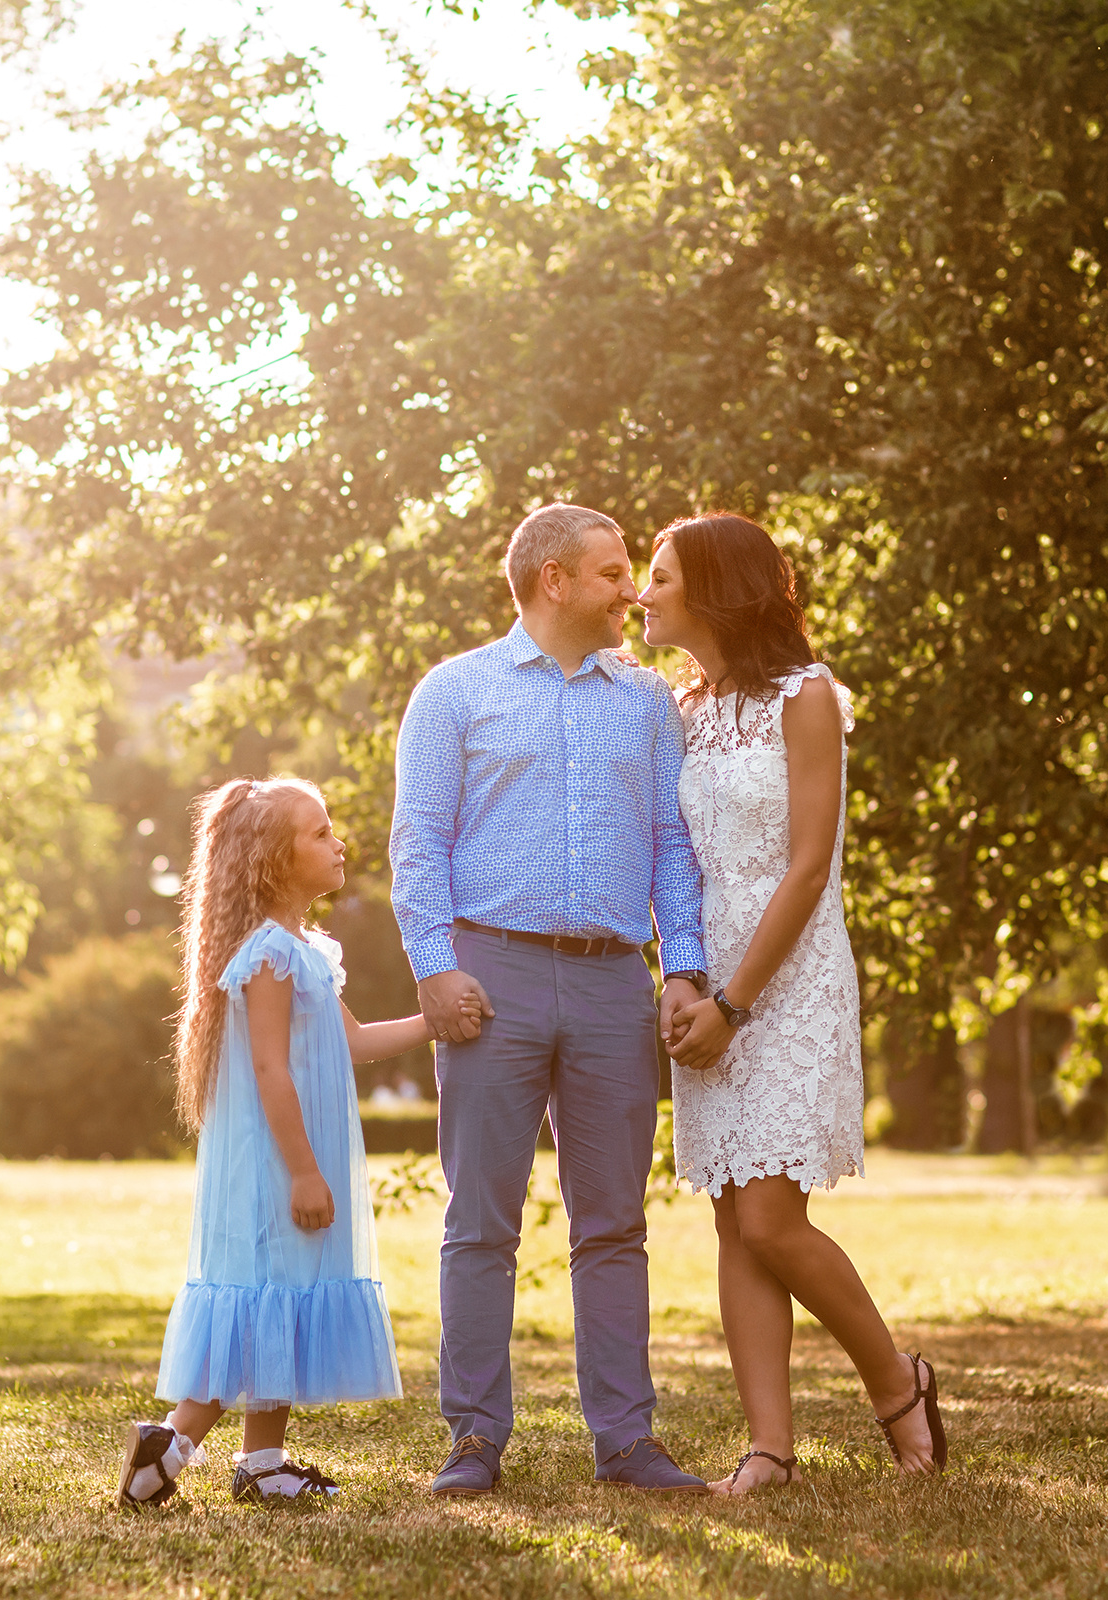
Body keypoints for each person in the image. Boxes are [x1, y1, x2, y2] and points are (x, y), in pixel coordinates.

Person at [389, 502, 713, 1496]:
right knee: (481, 1222)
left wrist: (685, 966)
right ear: (553, 580)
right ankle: (473, 1438)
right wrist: (434, 965)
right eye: (614, 573)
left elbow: (671, 844)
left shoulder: (647, 702)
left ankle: (626, 1440)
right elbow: (418, 840)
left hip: (617, 981)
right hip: (493, 976)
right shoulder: (455, 692)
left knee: (614, 1223)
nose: (632, 591)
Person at [641, 512, 947, 1490]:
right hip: (709, 981)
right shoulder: (680, 711)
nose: (643, 594)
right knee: (734, 1223)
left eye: (660, 577)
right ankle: (769, 1447)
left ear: (714, 589)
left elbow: (810, 865)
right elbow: (675, 860)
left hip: (790, 978)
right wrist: (684, 978)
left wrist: (735, 1003)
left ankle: (898, 1383)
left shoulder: (806, 696)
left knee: (773, 1220)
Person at [116, 776, 471, 1507]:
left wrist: (438, 1022)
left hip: (294, 1157)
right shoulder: (270, 954)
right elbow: (271, 1070)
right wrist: (305, 1172)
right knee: (262, 1301)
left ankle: (263, 1462)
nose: (339, 843)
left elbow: (354, 1042)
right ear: (276, 862)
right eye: (320, 833)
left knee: (281, 1297)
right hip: (278, 1163)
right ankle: (166, 1446)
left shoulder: (304, 950)